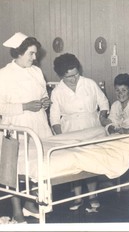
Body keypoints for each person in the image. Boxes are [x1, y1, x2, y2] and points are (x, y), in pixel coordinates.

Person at [0, 32, 53, 223]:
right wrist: (24, 106)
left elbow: (43, 93)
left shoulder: (36, 71)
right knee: (15, 170)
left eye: (35, 53)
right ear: (19, 53)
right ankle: (16, 210)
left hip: (38, 123)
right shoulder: (4, 75)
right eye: (31, 53)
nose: (35, 57)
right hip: (17, 126)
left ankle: (30, 204)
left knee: (36, 165)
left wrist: (45, 102)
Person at [49, 53, 110, 211]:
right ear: (61, 76)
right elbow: (54, 118)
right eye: (69, 77)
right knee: (75, 164)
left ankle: (92, 195)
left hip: (91, 126)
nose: (74, 79)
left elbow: (103, 103)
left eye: (76, 74)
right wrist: (61, 136)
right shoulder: (57, 92)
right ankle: (77, 197)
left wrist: (102, 117)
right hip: (71, 130)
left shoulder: (89, 84)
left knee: (91, 161)